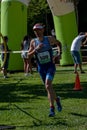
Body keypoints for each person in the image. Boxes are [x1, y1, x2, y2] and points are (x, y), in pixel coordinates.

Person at [28, 23, 62, 117]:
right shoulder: (33, 42)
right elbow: (29, 56)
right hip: (41, 68)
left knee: (47, 85)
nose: (37, 32)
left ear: (43, 30)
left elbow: (59, 43)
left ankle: (52, 109)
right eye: (35, 30)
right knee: (48, 87)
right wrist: (35, 49)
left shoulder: (49, 39)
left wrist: (59, 53)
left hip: (50, 66)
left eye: (38, 30)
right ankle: (57, 100)